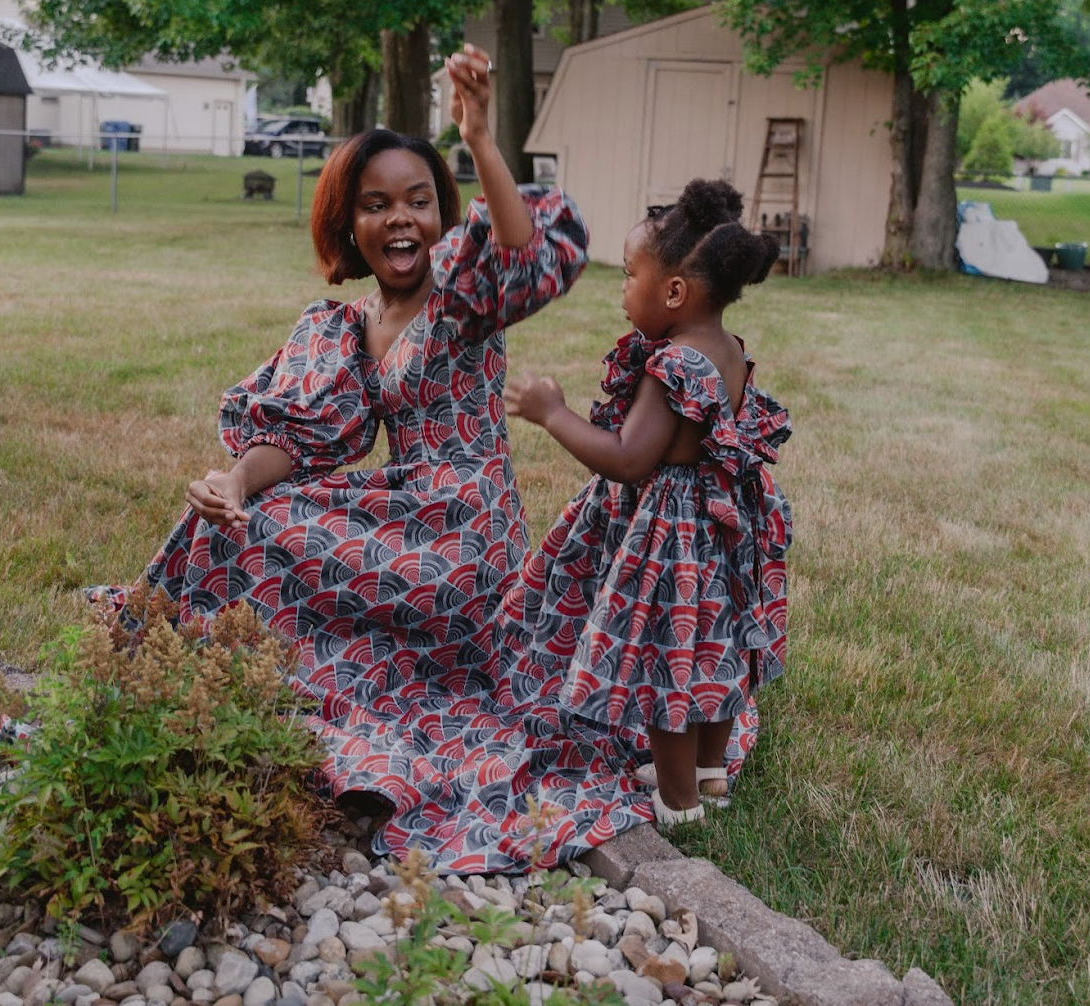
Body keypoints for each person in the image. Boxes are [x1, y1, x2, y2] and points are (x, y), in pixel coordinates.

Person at [92, 43, 588, 740]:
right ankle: (182, 675)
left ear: (442, 216)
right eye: (376, 205)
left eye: (420, 202)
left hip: (468, 534)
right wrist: (234, 480)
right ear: (349, 225)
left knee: (272, 534)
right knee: (242, 519)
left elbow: (520, 254)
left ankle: (261, 676)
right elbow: (299, 438)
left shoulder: (460, 298)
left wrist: (477, 135)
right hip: (405, 503)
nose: (401, 219)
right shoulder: (346, 326)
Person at [502, 178, 793, 826]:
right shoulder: (729, 352)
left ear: (674, 292)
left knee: (669, 662)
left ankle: (678, 800)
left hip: (673, 535)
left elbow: (631, 460)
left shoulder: (674, 366)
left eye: (630, 274)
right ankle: (710, 774)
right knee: (714, 646)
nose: (622, 289)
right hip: (724, 525)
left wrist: (553, 414)